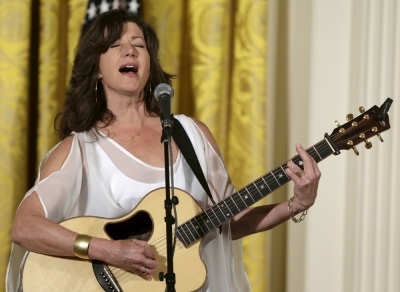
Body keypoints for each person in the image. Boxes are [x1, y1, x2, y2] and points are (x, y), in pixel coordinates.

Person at [6, 9, 321, 292]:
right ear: (97, 69)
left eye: (139, 44)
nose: (129, 49)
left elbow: (231, 220)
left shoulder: (192, 135)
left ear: (148, 63)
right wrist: (105, 249)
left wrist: (295, 204)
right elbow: (25, 226)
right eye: (115, 45)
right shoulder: (81, 149)